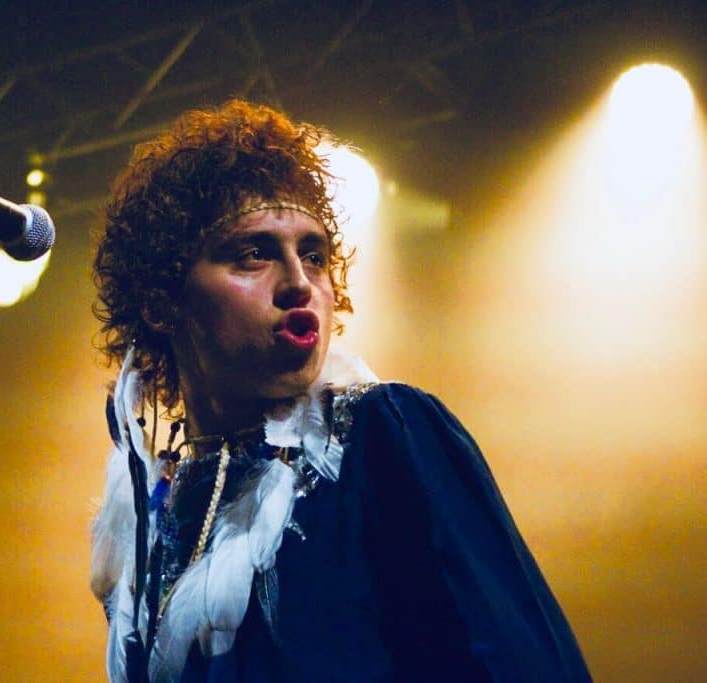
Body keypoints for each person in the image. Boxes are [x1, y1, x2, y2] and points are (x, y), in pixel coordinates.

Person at [90, 100, 590, 682]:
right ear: (159, 300)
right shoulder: (158, 515)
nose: (300, 283)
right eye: (254, 254)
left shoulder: (383, 433)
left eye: (314, 255)